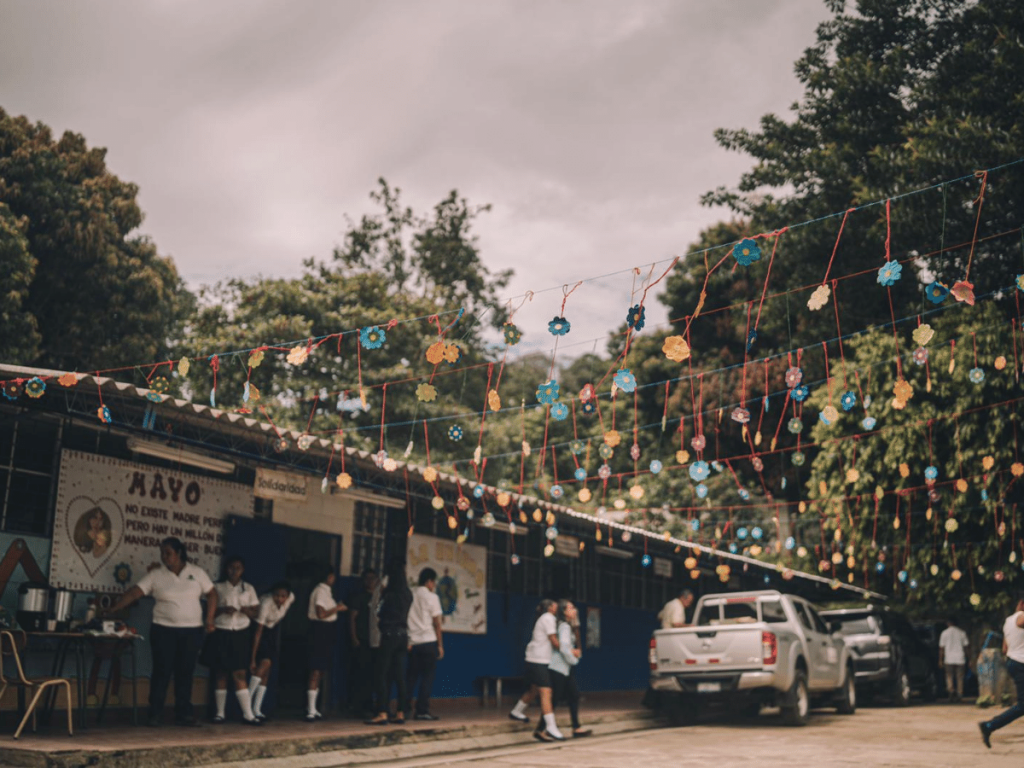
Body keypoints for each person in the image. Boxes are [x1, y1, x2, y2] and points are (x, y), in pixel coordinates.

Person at [106, 537, 217, 727]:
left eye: (168, 553)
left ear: (179, 553)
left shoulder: (196, 573)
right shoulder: (156, 575)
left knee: (185, 673)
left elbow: (212, 593)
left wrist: (210, 618)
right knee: (161, 672)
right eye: (162, 553)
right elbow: (135, 592)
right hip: (163, 630)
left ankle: (184, 713)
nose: (164, 557)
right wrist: (114, 609)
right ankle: (155, 713)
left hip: (191, 631)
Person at [205, 556, 261, 724]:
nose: (234, 570)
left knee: (239, 673)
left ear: (243, 570)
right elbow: (208, 611)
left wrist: (246, 611)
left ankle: (248, 714)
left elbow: (256, 613)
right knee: (221, 672)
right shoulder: (217, 587)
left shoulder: (248, 588)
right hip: (221, 631)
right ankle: (220, 713)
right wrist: (222, 609)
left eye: (238, 567)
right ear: (226, 569)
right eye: (231, 567)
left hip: (240, 632)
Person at [366, 557, 412, 726]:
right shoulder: (408, 594)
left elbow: (377, 611)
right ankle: (400, 712)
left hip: (389, 635)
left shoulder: (388, 594)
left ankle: (382, 712)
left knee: (382, 674)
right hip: (403, 635)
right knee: (400, 675)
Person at [509, 599, 564, 741]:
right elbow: (553, 639)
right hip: (539, 660)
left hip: (533, 659)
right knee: (546, 691)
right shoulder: (548, 618)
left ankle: (516, 711)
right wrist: (566, 651)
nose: (557, 607)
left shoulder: (544, 618)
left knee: (534, 690)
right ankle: (551, 727)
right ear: (550, 608)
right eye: (554, 605)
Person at [535, 600, 590, 740]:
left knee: (573, 695)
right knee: (555, 699)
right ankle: (541, 729)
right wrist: (574, 659)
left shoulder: (568, 626)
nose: (574, 610)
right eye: (571, 608)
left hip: (565, 668)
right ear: (564, 611)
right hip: (559, 667)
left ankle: (576, 727)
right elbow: (564, 649)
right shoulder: (564, 627)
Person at [980, 594, 1024, 748]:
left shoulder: (1007, 622)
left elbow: (1005, 649)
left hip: (1013, 662)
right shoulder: (1020, 616)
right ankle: (990, 725)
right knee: (1022, 706)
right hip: (1021, 665)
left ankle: (990, 726)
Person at [248, 581, 294, 721]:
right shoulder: (266, 603)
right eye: (277, 595)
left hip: (272, 630)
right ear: (272, 594)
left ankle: (257, 709)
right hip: (258, 630)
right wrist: (252, 658)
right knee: (264, 664)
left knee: (267, 673)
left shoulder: (291, 598)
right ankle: (246, 702)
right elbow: (258, 632)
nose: (280, 599)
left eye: (283, 596)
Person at [306, 566, 347, 722]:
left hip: (327, 631)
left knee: (321, 669)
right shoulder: (321, 591)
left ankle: (314, 707)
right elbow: (321, 613)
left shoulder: (326, 591)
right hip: (320, 631)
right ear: (329, 577)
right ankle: (310, 709)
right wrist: (338, 608)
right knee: (316, 670)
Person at [406, 567, 444, 721]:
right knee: (427, 677)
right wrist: (440, 645)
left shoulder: (410, 594)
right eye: (433, 582)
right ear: (429, 581)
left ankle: (404, 708)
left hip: (413, 642)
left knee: (411, 678)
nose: (434, 585)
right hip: (428, 641)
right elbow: (437, 624)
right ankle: (421, 710)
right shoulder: (432, 597)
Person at [348, 569, 380, 718]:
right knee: (360, 673)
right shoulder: (359, 597)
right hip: (362, 639)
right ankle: (358, 705)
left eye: (372, 578)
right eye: (367, 578)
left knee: (373, 674)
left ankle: (370, 704)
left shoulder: (378, 598)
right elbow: (352, 618)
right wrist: (354, 637)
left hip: (375, 641)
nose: (369, 581)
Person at [939, 616, 970, 703]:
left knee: (949, 676)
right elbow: (966, 647)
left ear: (948, 623)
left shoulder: (944, 633)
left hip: (948, 658)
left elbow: (941, 648)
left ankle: (951, 690)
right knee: (960, 677)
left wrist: (940, 660)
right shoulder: (962, 633)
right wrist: (969, 658)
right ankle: (959, 693)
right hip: (960, 658)